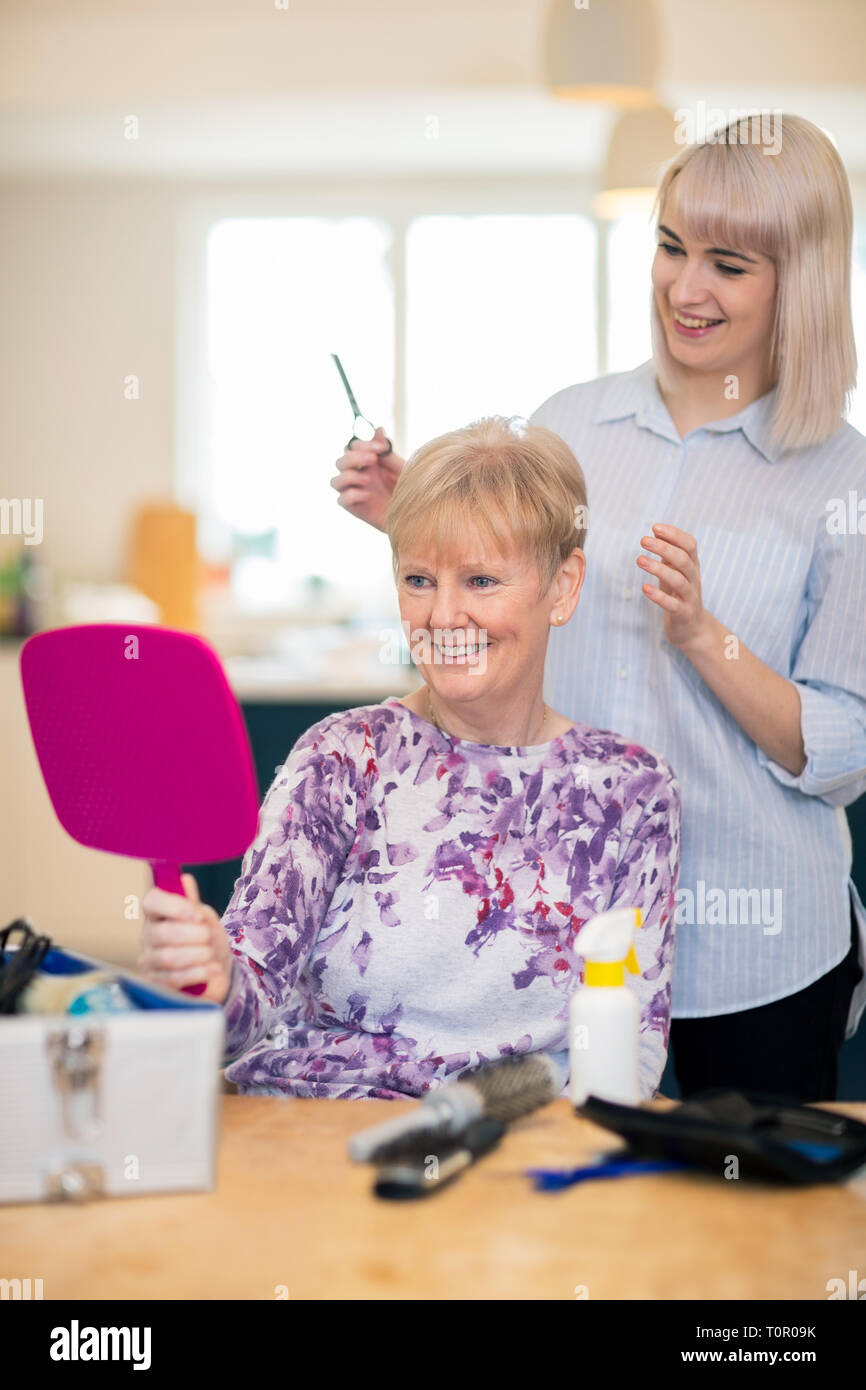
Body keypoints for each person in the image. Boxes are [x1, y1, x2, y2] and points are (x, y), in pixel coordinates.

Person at [331, 112, 866, 1102]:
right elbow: (518, 590)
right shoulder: (572, 420)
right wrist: (410, 520)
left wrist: (705, 637)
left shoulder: (841, 477)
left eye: (727, 264)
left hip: (749, 953)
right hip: (565, 928)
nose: (684, 287)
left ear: (799, 282)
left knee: (733, 1239)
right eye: (669, 248)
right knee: (571, 1223)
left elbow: (837, 753)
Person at [139, 418, 681, 1099]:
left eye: (481, 581)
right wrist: (211, 977)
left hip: (512, 1152)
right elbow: (242, 1012)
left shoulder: (630, 792)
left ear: (563, 586)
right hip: (315, 1134)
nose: (442, 616)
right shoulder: (341, 760)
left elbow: (630, 1055)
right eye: (419, 579)